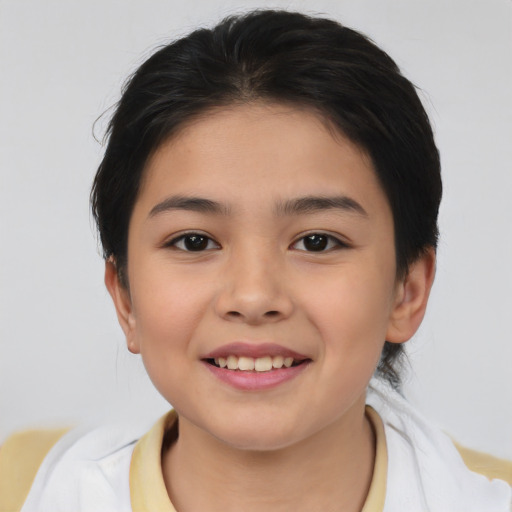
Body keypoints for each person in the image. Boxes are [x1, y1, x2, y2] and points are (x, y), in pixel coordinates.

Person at [1, 9, 510, 512]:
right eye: (195, 242)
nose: (253, 297)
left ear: (408, 290)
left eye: (316, 242)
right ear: (125, 296)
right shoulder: (19, 488)